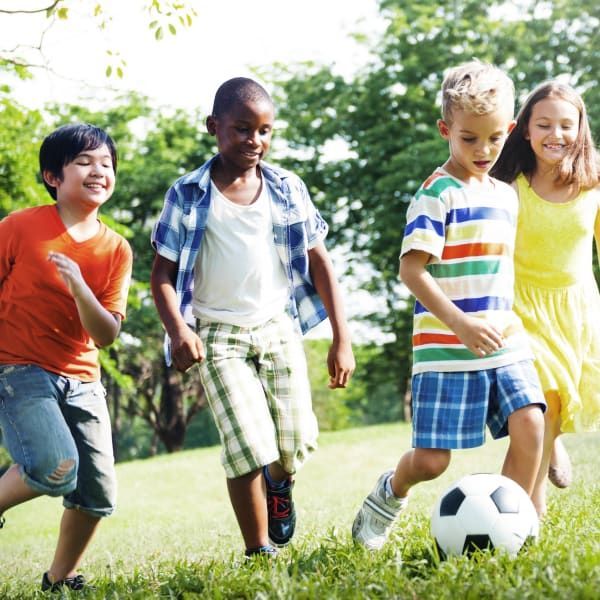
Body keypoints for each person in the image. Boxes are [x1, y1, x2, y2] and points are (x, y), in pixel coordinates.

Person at [150, 77, 355, 558]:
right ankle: (258, 548)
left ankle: (279, 484)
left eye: (264, 131)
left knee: (294, 443)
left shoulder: (286, 188)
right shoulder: (188, 194)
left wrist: (340, 337)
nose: (254, 142)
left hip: (277, 326)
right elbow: (162, 274)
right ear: (213, 127)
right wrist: (178, 330)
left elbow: (320, 261)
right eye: (242, 129)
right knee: (245, 442)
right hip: (217, 335)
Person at [352, 61, 547, 551]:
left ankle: (513, 528)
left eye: (493, 139)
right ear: (446, 131)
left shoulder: (506, 196)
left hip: (503, 340)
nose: (482, 151)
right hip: (447, 347)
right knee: (432, 461)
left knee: (531, 424)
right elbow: (411, 271)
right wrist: (459, 324)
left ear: (510, 132)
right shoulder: (435, 195)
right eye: (468, 139)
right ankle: (386, 496)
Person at [0, 124, 132, 590]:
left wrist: (79, 286)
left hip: (82, 379)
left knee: (96, 494)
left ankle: (60, 579)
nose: (99, 171)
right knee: (54, 467)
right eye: (84, 162)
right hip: (18, 370)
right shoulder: (19, 227)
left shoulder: (116, 249)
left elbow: (106, 334)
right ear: (53, 176)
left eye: (106, 164)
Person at [491, 81, 600, 516]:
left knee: (553, 405)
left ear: (581, 129)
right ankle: (527, 514)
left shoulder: (594, 184)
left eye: (566, 125)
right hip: (521, 309)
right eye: (544, 124)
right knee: (542, 399)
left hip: (575, 310)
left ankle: (550, 445)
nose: (556, 134)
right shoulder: (508, 185)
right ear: (525, 130)